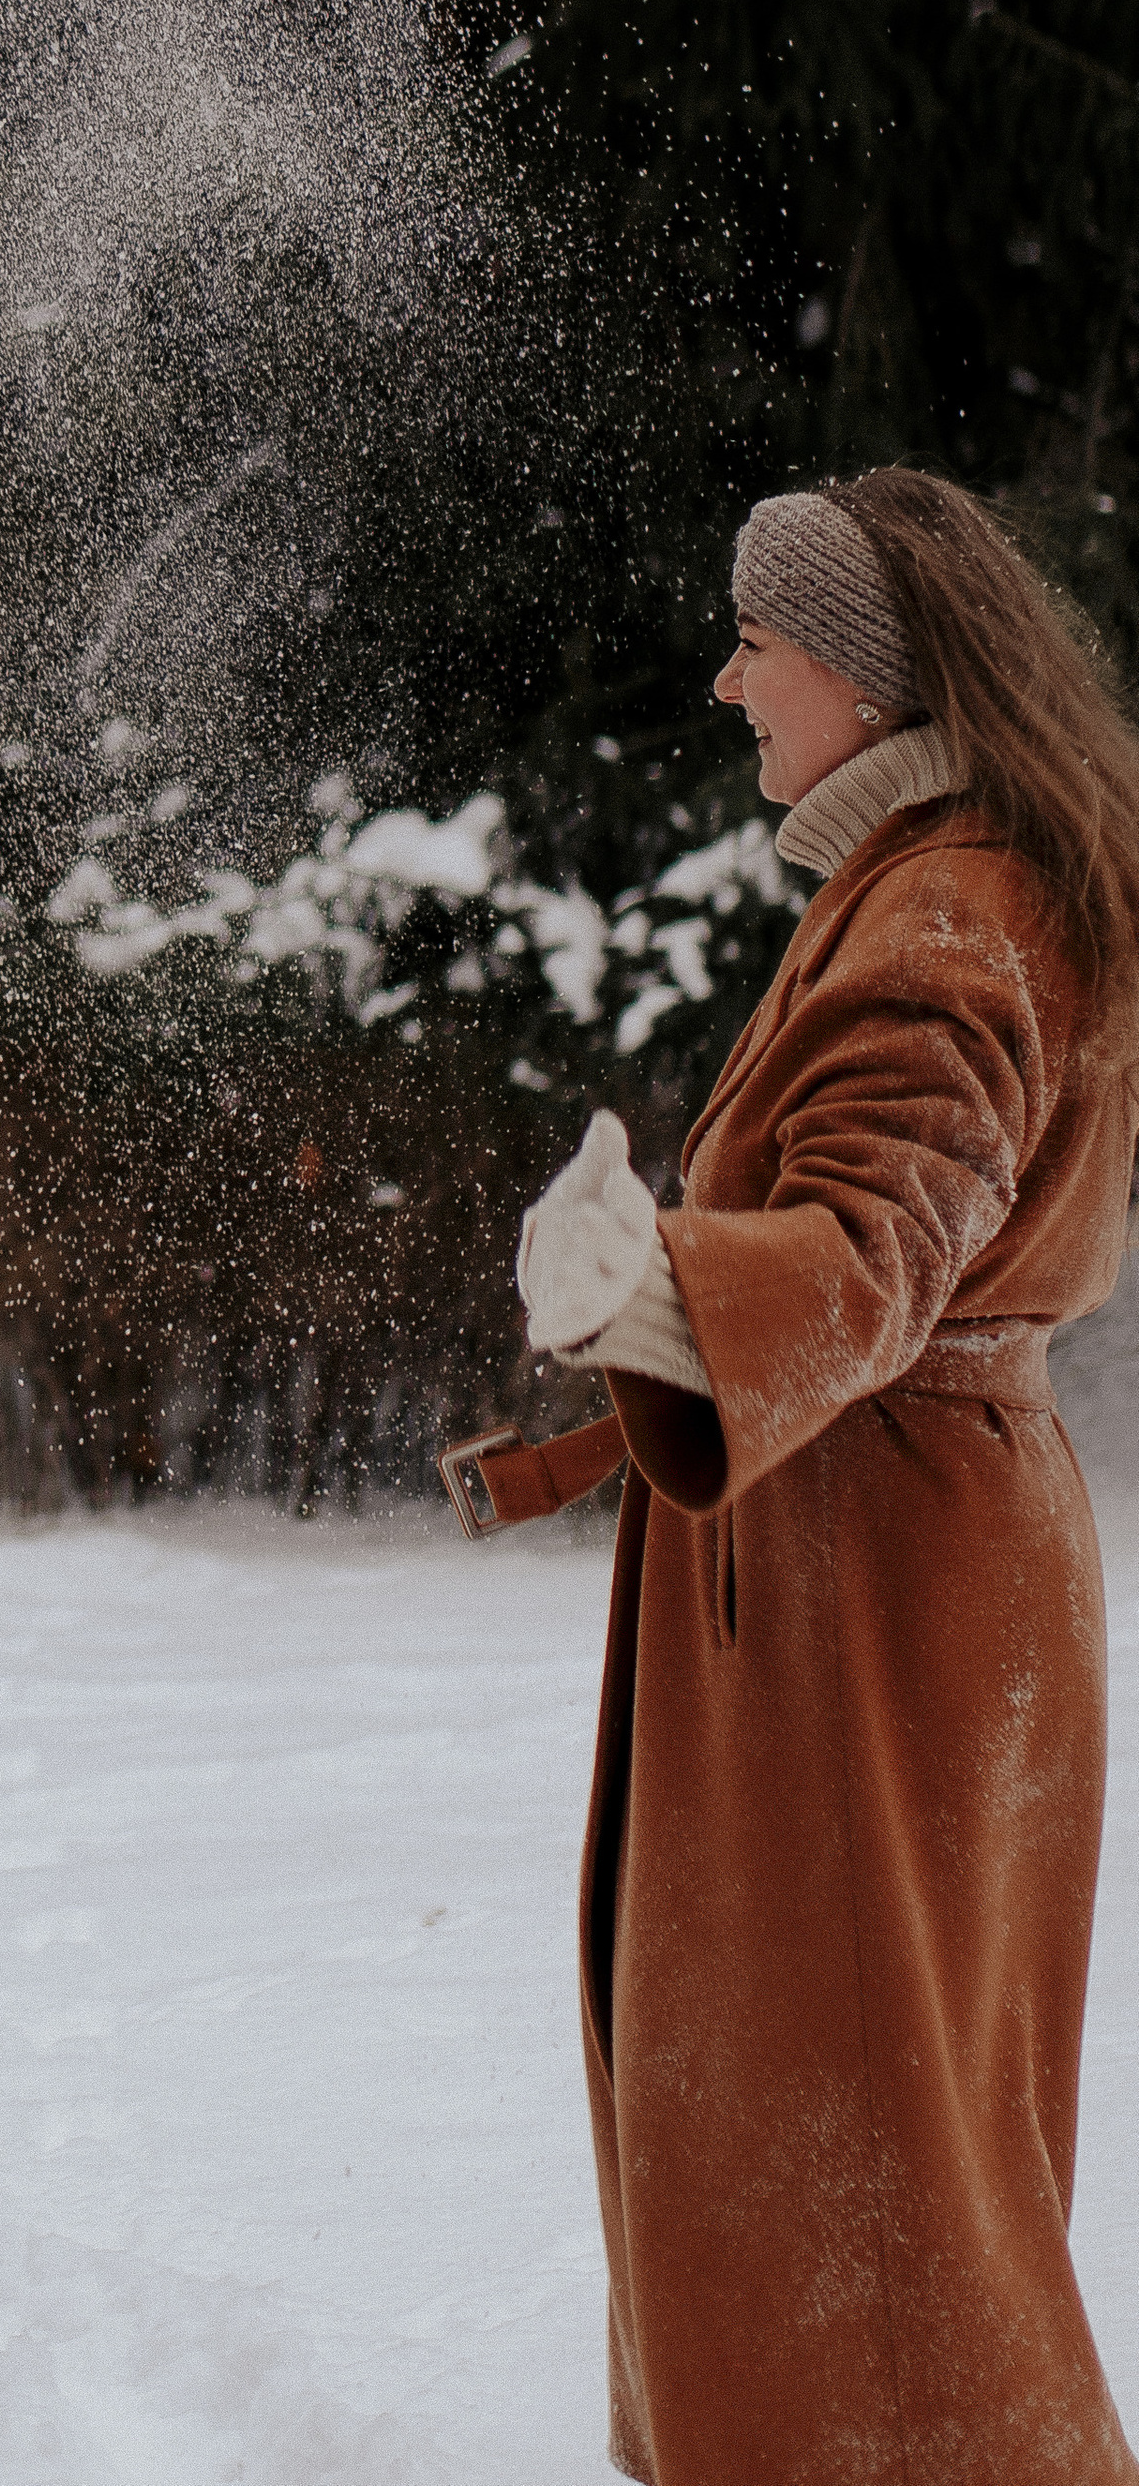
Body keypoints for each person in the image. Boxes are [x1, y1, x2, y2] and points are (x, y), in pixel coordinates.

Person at [483, 467, 1139, 2486]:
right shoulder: (943, 876)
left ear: (854, 673)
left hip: (870, 1593)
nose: (722, 676)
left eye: (753, 640)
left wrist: (654, 1283)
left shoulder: (945, 908)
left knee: (845, 2165)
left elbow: (875, 1254)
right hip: (903, 1563)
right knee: (883, 2146)